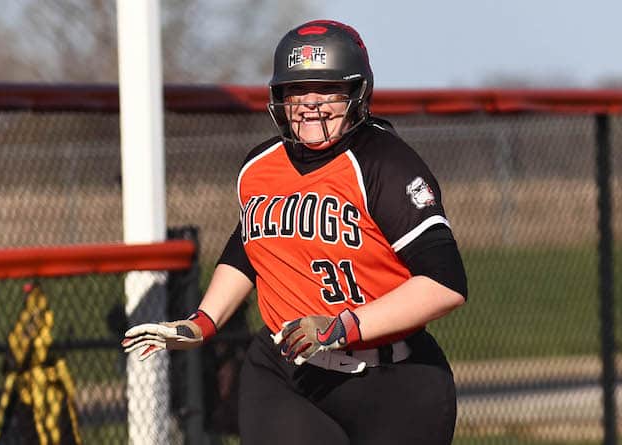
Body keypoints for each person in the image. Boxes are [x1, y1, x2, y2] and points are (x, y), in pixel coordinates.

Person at [122, 19, 468, 445]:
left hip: (392, 381)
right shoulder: (261, 165)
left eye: (326, 90)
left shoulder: (386, 164)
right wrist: (203, 322)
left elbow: (445, 283)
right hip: (287, 371)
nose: (309, 103)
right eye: (296, 90)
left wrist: (341, 326)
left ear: (356, 92)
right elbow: (250, 247)